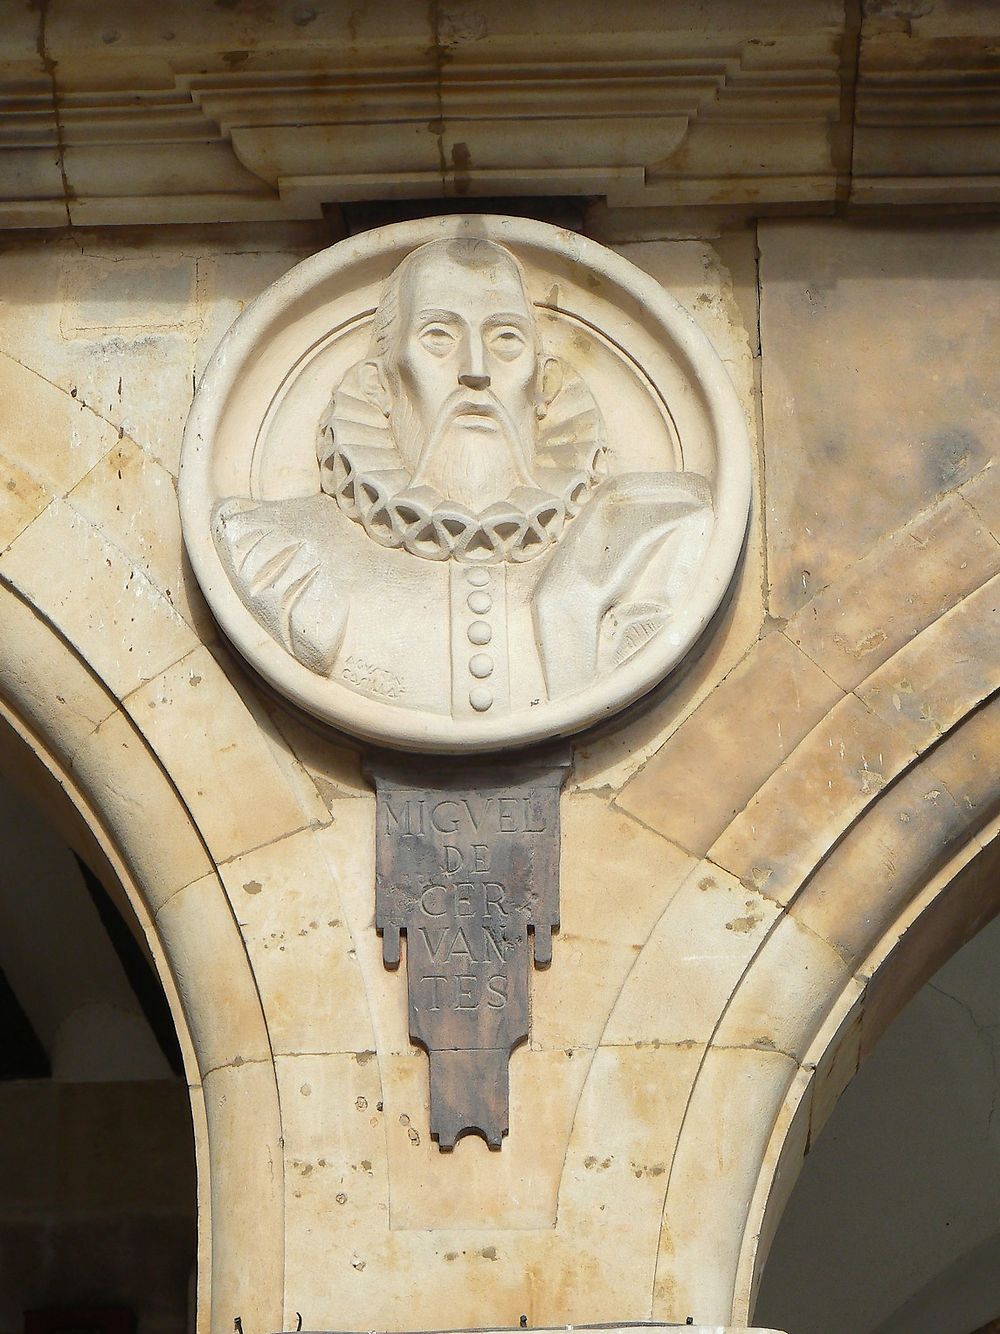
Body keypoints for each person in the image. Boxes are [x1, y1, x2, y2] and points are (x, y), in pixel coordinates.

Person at [213, 237, 712, 720]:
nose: (476, 371)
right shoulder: (276, 553)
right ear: (381, 383)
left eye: (506, 341)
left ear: (543, 386)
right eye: (438, 337)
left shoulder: (650, 534)